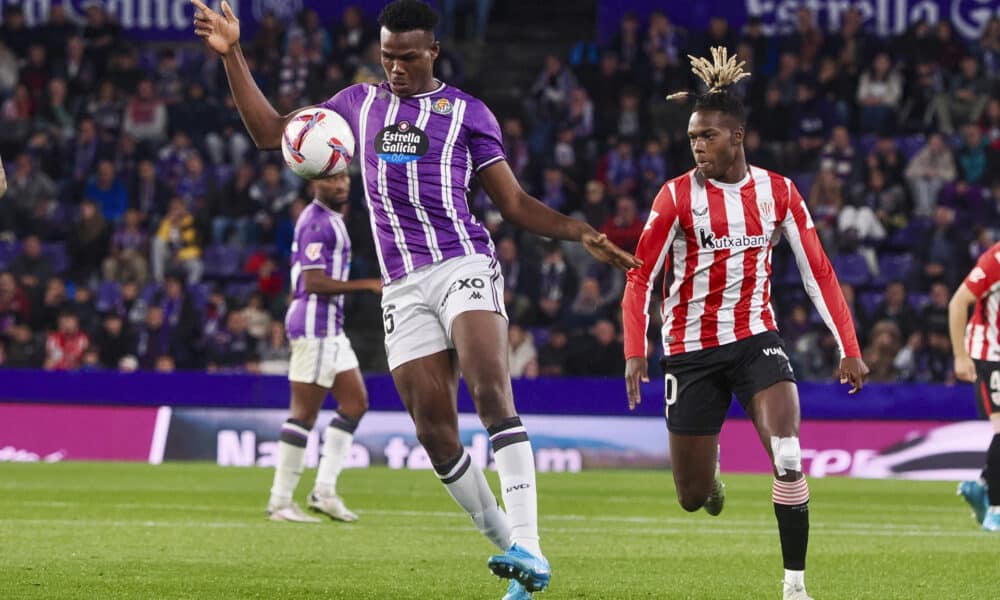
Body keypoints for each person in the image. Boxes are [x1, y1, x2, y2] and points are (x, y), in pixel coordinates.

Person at [191, 1, 639, 598]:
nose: (396, 68)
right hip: (403, 285)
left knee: (489, 390)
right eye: (387, 57)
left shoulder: (469, 115)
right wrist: (234, 55)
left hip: (463, 262)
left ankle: (530, 542)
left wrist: (579, 230)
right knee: (436, 435)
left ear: (432, 52)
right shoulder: (356, 104)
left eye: (407, 57)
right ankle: (518, 556)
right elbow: (272, 133)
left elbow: (515, 204)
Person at [621, 48, 869, 600]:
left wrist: (847, 345)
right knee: (690, 496)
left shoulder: (778, 192)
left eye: (707, 137)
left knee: (787, 454)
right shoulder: (674, 198)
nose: (698, 147)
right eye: (692, 139)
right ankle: (710, 481)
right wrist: (635, 348)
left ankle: (795, 586)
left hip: (756, 340)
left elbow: (819, 271)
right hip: (688, 352)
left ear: (737, 137)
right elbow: (640, 277)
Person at [266, 172, 381, 523]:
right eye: (331, 179)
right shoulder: (317, 223)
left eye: (344, 176)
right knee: (304, 414)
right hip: (315, 325)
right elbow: (313, 282)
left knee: (355, 403)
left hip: (330, 327)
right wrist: (367, 285)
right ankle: (281, 502)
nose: (342, 184)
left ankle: (324, 492)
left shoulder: (331, 219)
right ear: (315, 183)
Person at [948, 240, 1000, 531]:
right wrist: (960, 356)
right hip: (991, 355)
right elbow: (958, 302)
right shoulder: (996, 259)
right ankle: (995, 508)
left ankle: (982, 483)